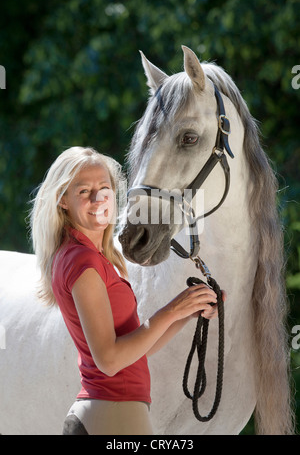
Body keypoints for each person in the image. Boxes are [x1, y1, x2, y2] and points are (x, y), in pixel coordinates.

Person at [30, 146, 220, 435]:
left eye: (104, 188)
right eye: (84, 191)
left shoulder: (81, 255)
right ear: (62, 200)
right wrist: (171, 310)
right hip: (115, 413)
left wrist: (188, 311)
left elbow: (136, 349)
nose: (98, 199)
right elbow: (109, 360)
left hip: (107, 413)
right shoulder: (84, 261)